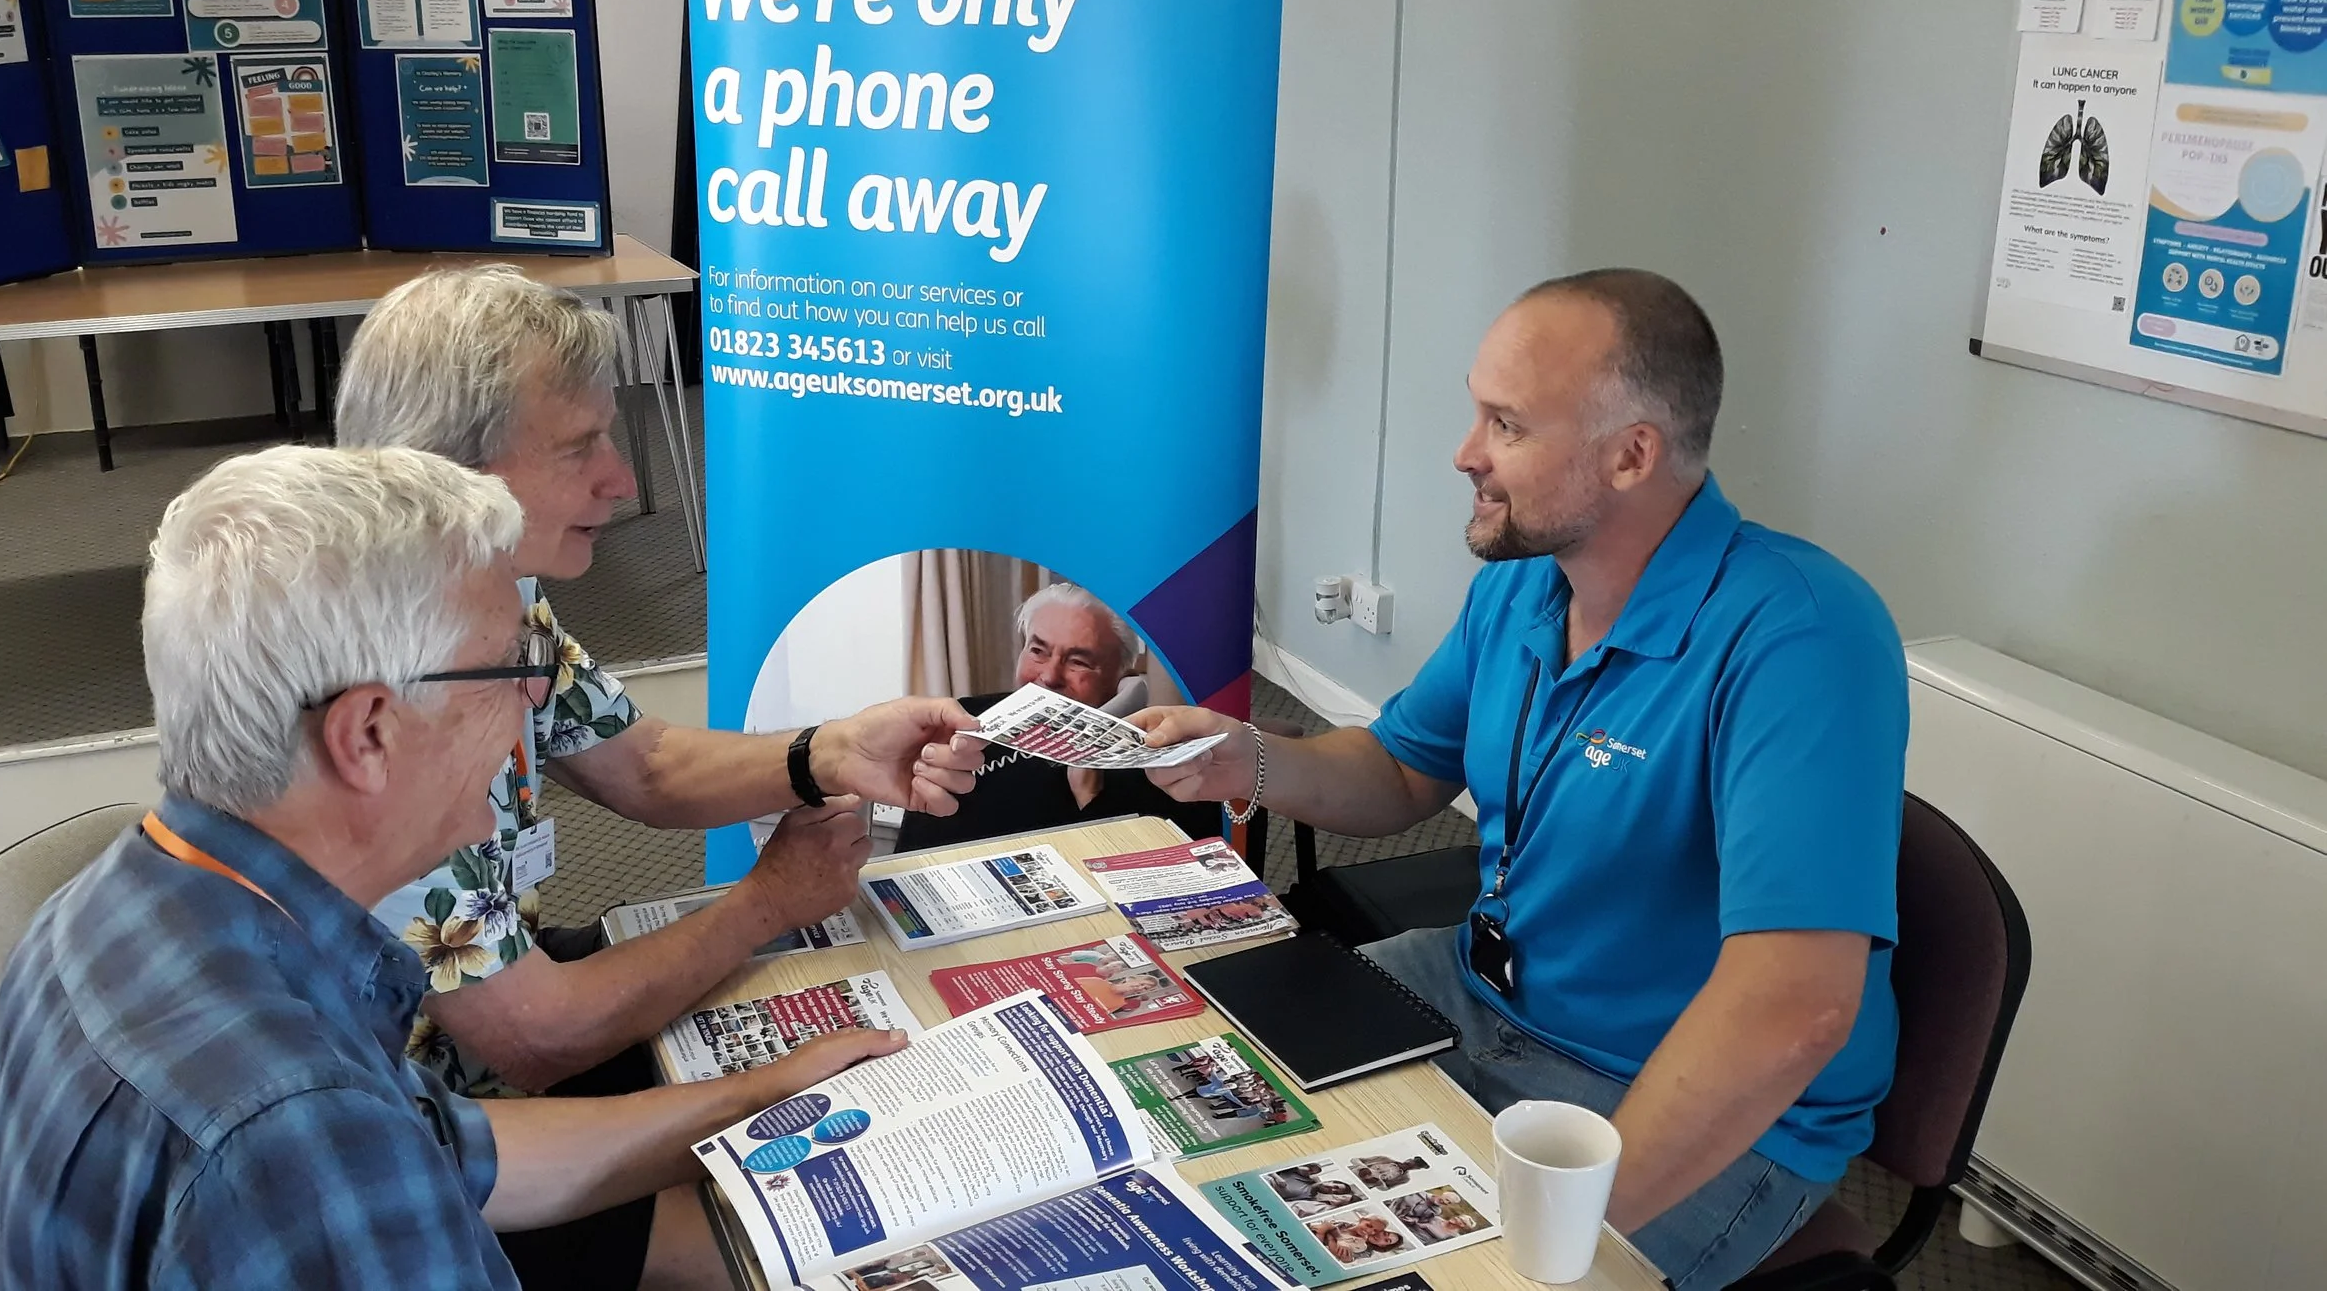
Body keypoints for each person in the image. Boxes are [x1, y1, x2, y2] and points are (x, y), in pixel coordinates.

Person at [1137, 269, 1906, 1290]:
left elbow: (1791, 1009)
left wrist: (1552, 1234)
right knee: (1177, 1102)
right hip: (1477, 992)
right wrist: (1253, 760)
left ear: (1632, 453)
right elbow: (1402, 770)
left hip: (1669, 1088)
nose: (1465, 453)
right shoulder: (1519, 586)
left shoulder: (1800, 634)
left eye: (1505, 423)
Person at [0, 446, 904, 1290]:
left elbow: (456, 1149)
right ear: (369, 734)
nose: (538, 702)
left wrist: (767, 1099)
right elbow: (365, 1156)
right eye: (509, 670)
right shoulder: (302, 1135)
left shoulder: (109, 905)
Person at [335, 267, 988, 1287]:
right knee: (815, 1249)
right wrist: (764, 902)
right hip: (416, 1159)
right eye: (579, 446)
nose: (623, 480)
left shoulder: (489, 600)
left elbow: (642, 761)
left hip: (483, 1052)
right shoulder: (391, 697)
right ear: (448, 472)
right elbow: (533, 1039)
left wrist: (827, 750)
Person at [896, 581, 1222, 851]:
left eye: (1078, 661)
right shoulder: (960, 723)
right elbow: (912, 857)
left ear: (1121, 678)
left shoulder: (1161, 758)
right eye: (1038, 651)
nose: (1049, 676)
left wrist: (1089, 787)